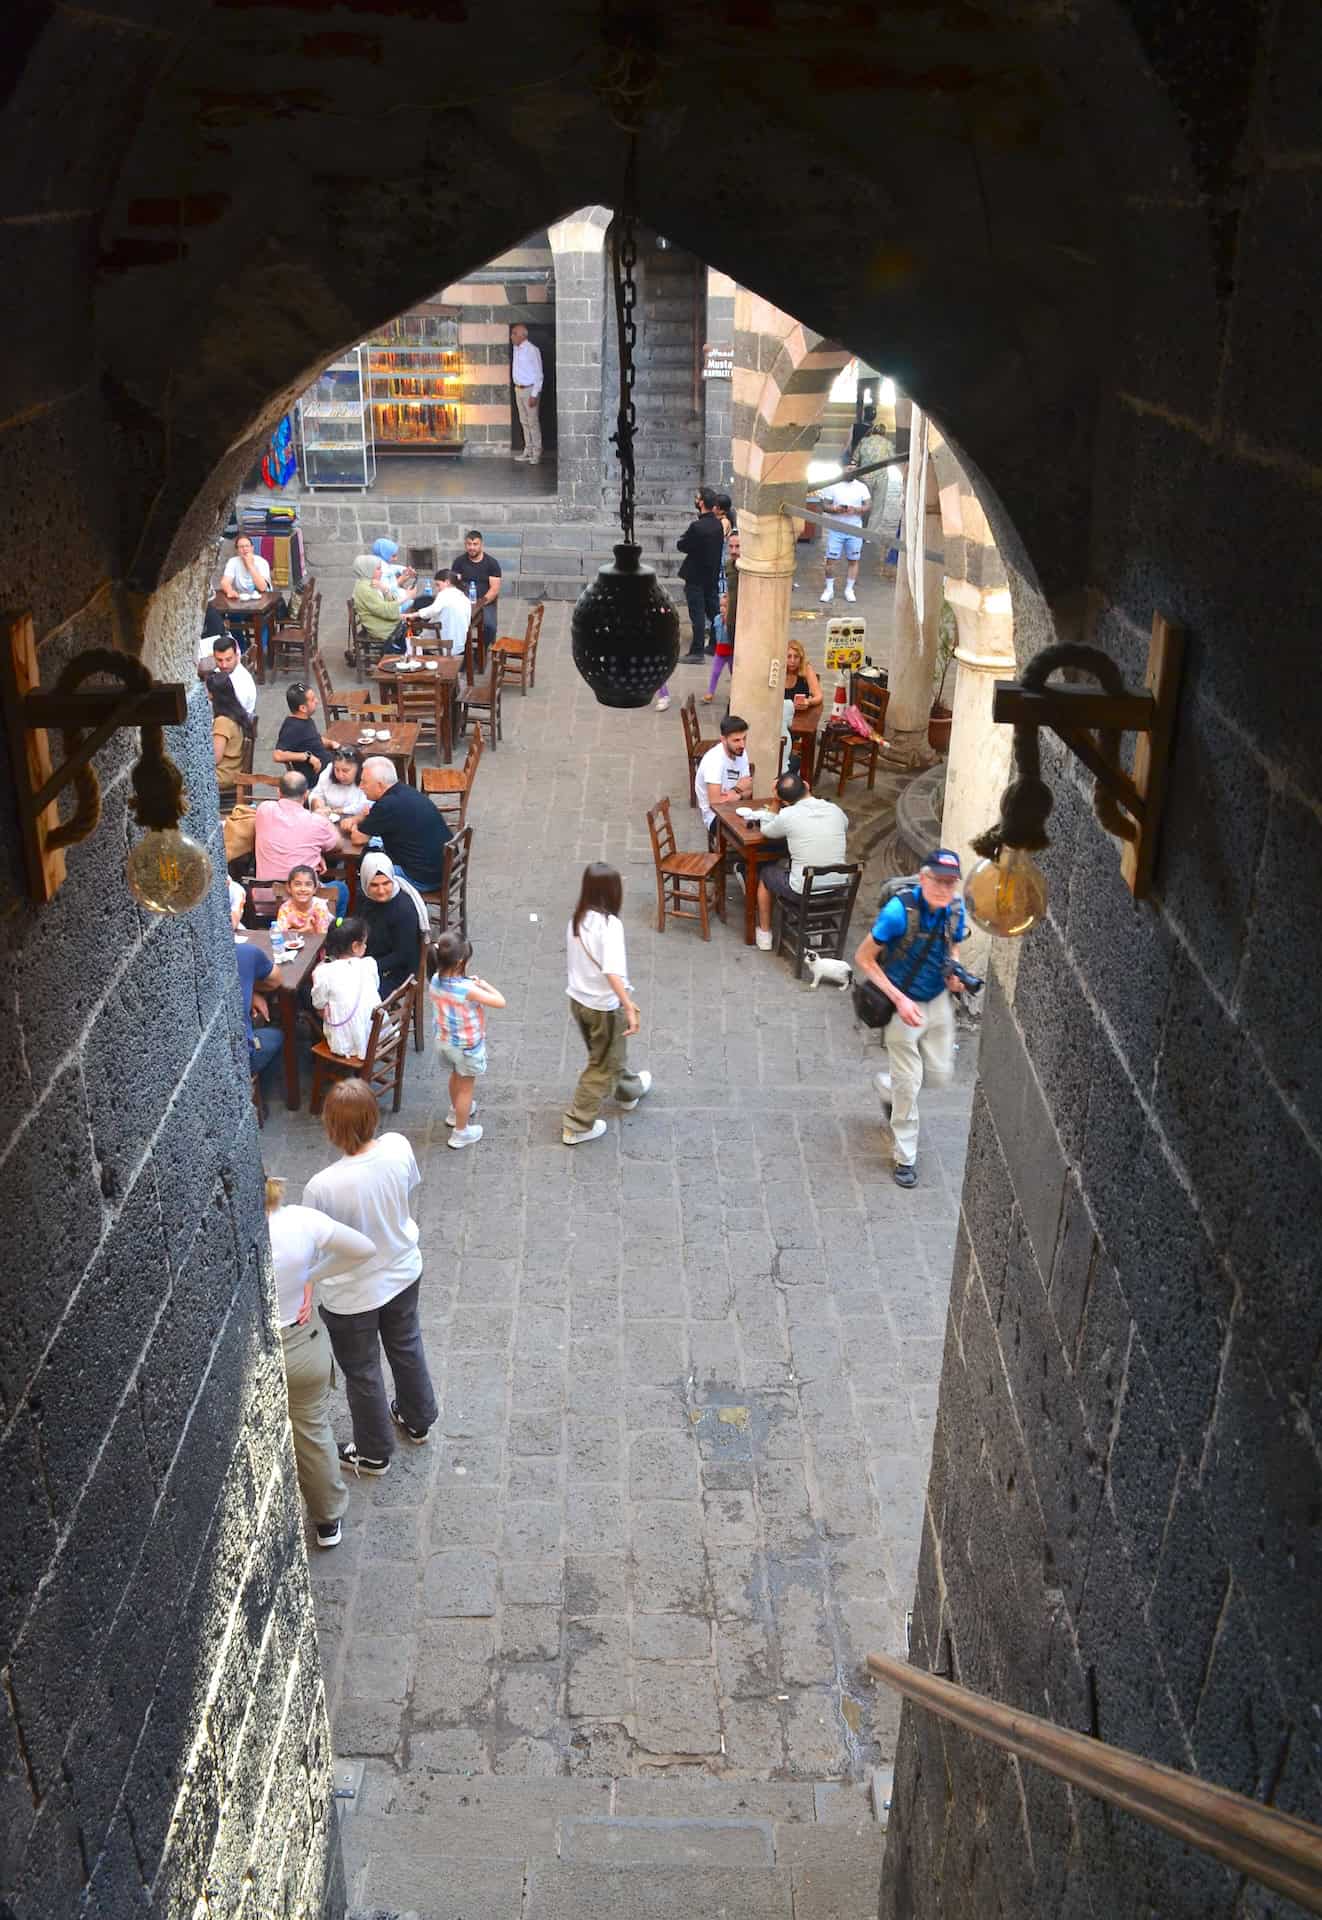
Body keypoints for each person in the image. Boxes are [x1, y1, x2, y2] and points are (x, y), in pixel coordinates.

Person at [303, 1078, 439, 1474]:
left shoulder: (322, 1186)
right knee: (407, 1345)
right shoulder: (398, 1147)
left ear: (331, 1126)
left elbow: (316, 1243)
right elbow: (408, 1187)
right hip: (402, 1270)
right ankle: (418, 1419)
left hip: (351, 1295)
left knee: (362, 1370)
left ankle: (374, 1451)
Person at [265, 1176, 375, 1548]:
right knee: (312, 1431)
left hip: (255, 1346)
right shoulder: (300, 1221)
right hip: (299, 1344)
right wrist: (309, 1278)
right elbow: (362, 1248)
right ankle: (328, 1521)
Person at [853, 849, 970, 1189]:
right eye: (938, 880)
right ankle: (906, 1157)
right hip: (903, 1004)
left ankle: (887, 1087)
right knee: (909, 1085)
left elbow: (953, 947)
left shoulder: (955, 910)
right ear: (923, 878)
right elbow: (864, 958)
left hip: (937, 1002)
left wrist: (954, 973)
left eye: (950, 883)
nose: (944, 888)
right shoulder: (897, 912)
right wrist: (899, 1000)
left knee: (939, 1074)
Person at [563, 863, 651, 1146]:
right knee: (600, 1066)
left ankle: (629, 1091)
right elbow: (612, 971)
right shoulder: (610, 926)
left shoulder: (576, 920)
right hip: (604, 1007)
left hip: (579, 1001)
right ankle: (577, 1124)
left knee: (606, 1054)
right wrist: (628, 1005)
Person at [752, 771, 849, 951]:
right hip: (838, 890)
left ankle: (765, 934)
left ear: (785, 801)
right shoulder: (835, 809)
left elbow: (766, 831)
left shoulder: (787, 815)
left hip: (803, 892)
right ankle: (815, 932)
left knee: (766, 873)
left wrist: (774, 802)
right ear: (806, 784)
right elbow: (844, 825)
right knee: (812, 863)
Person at [428, 930, 506, 1151]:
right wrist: (483, 984)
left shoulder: (434, 980)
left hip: (444, 1042)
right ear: (461, 961)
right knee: (466, 1088)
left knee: (455, 1077)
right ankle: (461, 1132)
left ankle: (455, 1112)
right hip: (467, 1047)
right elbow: (500, 1001)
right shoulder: (468, 989)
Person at [254, 773, 349, 917]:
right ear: (306, 794)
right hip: (303, 904)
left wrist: (317, 854)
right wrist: (324, 819)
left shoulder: (264, 810)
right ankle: (335, 935)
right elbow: (338, 843)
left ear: (278, 791)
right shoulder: (317, 822)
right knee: (341, 889)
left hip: (263, 901)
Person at [350, 757, 450, 891]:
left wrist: (352, 823)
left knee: (369, 871)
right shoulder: (404, 790)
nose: (361, 787)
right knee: (376, 844)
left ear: (379, 785)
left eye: (364, 782)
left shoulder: (386, 806)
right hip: (443, 869)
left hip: (421, 878)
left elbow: (358, 839)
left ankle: (368, 905)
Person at [358, 851, 429, 997]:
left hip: (397, 973)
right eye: (374, 885)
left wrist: (365, 968)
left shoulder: (403, 910)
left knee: (352, 997)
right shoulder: (363, 897)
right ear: (365, 883)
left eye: (386, 883)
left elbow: (402, 955)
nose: (381, 891)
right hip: (368, 961)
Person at [310, 916, 382, 1058]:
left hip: (344, 1042)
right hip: (376, 1031)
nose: (366, 947)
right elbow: (376, 986)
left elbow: (318, 1003)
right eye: (364, 943)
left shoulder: (323, 972)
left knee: (317, 1003)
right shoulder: (370, 964)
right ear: (355, 947)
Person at [810, 467, 872, 603]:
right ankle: (829, 589)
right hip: (836, 529)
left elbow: (868, 505)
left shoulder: (862, 487)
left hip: (854, 529)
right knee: (831, 560)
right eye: (848, 468)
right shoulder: (833, 486)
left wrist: (857, 509)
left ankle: (849, 589)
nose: (851, 472)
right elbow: (824, 505)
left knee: (853, 560)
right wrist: (835, 509)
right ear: (842, 469)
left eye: (854, 469)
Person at [677, 486, 724, 664]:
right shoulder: (717, 525)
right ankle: (713, 643)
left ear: (702, 502)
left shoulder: (697, 527)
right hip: (711, 576)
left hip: (696, 577)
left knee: (697, 614)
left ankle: (697, 651)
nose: (696, 500)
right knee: (714, 612)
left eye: (697, 498)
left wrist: (685, 540)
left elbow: (683, 545)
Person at [694, 712, 753, 840]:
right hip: (716, 817)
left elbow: (748, 789)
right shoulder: (714, 761)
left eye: (744, 738)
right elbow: (715, 802)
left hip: (737, 808)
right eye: (736, 740)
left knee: (768, 830)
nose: (742, 744)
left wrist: (734, 795)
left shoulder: (741, 751)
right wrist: (737, 790)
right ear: (723, 739)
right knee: (750, 838)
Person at [235, 938, 283, 1091]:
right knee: (277, 1034)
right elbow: (275, 980)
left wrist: (251, 991)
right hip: (240, 1058)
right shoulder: (246, 952)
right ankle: (261, 1096)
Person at [449, 530, 502, 653]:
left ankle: (481, 651)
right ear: (465, 545)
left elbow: (494, 589)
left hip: (485, 601)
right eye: (469, 544)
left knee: (490, 627)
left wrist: (481, 602)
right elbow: (454, 583)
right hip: (464, 601)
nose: (472, 547)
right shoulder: (459, 562)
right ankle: (461, 651)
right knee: (454, 623)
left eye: (475, 544)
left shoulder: (491, 563)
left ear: (481, 545)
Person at [351, 554, 408, 659]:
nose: (381, 572)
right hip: (380, 627)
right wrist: (405, 599)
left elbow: (386, 605)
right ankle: (399, 660)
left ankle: (405, 656)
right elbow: (385, 610)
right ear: (367, 569)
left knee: (409, 623)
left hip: (382, 620)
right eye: (378, 569)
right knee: (410, 630)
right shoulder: (365, 589)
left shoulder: (370, 582)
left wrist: (385, 589)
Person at [273, 681, 331, 777]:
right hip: (319, 778)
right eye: (312, 700)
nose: (317, 701)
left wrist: (331, 743)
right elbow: (277, 755)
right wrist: (307, 757)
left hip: (329, 767)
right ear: (303, 708)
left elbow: (314, 739)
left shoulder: (306, 719)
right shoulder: (292, 727)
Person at [207, 669, 249, 796]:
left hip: (224, 775)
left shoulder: (222, 722)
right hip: (233, 769)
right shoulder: (235, 713)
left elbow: (215, 758)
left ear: (213, 694)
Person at [372, 537, 434, 615]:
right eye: (393, 556)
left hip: (398, 603)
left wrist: (404, 570)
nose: (396, 558)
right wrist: (400, 582)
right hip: (395, 608)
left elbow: (392, 568)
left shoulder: (381, 564)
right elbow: (386, 591)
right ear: (385, 554)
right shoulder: (380, 570)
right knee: (425, 606)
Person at [510, 322, 544, 464]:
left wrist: (534, 394)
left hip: (529, 389)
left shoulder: (532, 350)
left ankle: (537, 451)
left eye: (514, 334)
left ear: (522, 335)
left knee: (533, 422)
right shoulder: (516, 349)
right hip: (518, 389)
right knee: (524, 421)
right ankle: (528, 450)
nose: (511, 336)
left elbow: (539, 374)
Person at [311, 745, 371, 821]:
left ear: (358, 768)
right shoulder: (329, 771)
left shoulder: (366, 777)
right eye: (337, 770)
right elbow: (317, 793)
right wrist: (318, 804)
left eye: (345, 771)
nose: (340, 775)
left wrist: (337, 811)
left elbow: (364, 805)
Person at [275, 863, 333, 941]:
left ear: (315, 889)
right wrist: (304, 930)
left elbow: (322, 937)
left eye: (308, 884)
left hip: (316, 946)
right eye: (297, 884)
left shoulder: (319, 907)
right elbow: (280, 936)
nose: (303, 889)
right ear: (289, 888)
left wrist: (294, 931)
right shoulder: (285, 909)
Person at [207, 634, 257, 718]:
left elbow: (230, 717)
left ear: (237, 656)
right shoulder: (224, 672)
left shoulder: (241, 685)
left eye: (228, 659)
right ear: (214, 657)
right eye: (219, 660)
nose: (224, 665)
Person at [427, 569, 472, 653]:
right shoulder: (463, 596)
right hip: (460, 644)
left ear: (447, 582)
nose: (437, 589)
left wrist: (414, 614)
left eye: (438, 585)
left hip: (444, 644)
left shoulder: (444, 594)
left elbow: (431, 611)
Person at [219, 533, 272, 601]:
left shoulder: (261, 562)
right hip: (243, 598)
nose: (245, 549)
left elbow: (262, 588)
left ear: (252, 548)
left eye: (247, 546)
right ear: (237, 550)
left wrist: (250, 565)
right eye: (241, 547)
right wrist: (229, 591)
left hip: (263, 598)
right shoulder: (233, 561)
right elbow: (225, 582)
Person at [784, 637, 823, 712]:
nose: (792, 661)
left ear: (801, 658)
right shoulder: (778, 671)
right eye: (788, 656)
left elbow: (819, 696)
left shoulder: (806, 668)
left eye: (796, 657)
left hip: (801, 714)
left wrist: (808, 701)